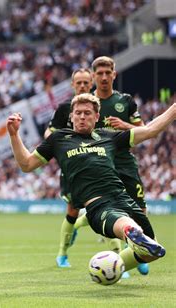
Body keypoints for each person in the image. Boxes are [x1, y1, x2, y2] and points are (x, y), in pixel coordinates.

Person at [6, 93, 174, 275]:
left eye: (87, 113)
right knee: (125, 224)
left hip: (124, 199)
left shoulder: (109, 137)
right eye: (78, 113)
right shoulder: (59, 139)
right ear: (71, 116)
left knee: (153, 250)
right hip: (98, 205)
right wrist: (14, 135)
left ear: (96, 117)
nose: (82, 117)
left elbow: (150, 130)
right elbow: (27, 164)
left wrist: (173, 110)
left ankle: (112, 267)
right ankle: (130, 232)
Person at [73, 56, 150, 274]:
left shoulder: (125, 101)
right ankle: (120, 261)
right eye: (100, 73)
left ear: (114, 74)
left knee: (140, 209)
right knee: (110, 211)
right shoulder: (87, 103)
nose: (104, 77)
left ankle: (137, 250)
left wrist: (125, 125)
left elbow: (142, 130)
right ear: (93, 76)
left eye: (108, 73)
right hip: (99, 164)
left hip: (125, 162)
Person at [44, 68, 93, 268]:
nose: (82, 86)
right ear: (73, 85)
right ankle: (62, 254)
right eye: (78, 82)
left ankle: (118, 259)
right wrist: (59, 144)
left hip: (99, 165)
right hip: (73, 167)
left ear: (92, 84)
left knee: (106, 207)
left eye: (85, 82)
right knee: (72, 210)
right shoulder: (65, 109)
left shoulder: (99, 107)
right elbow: (50, 132)